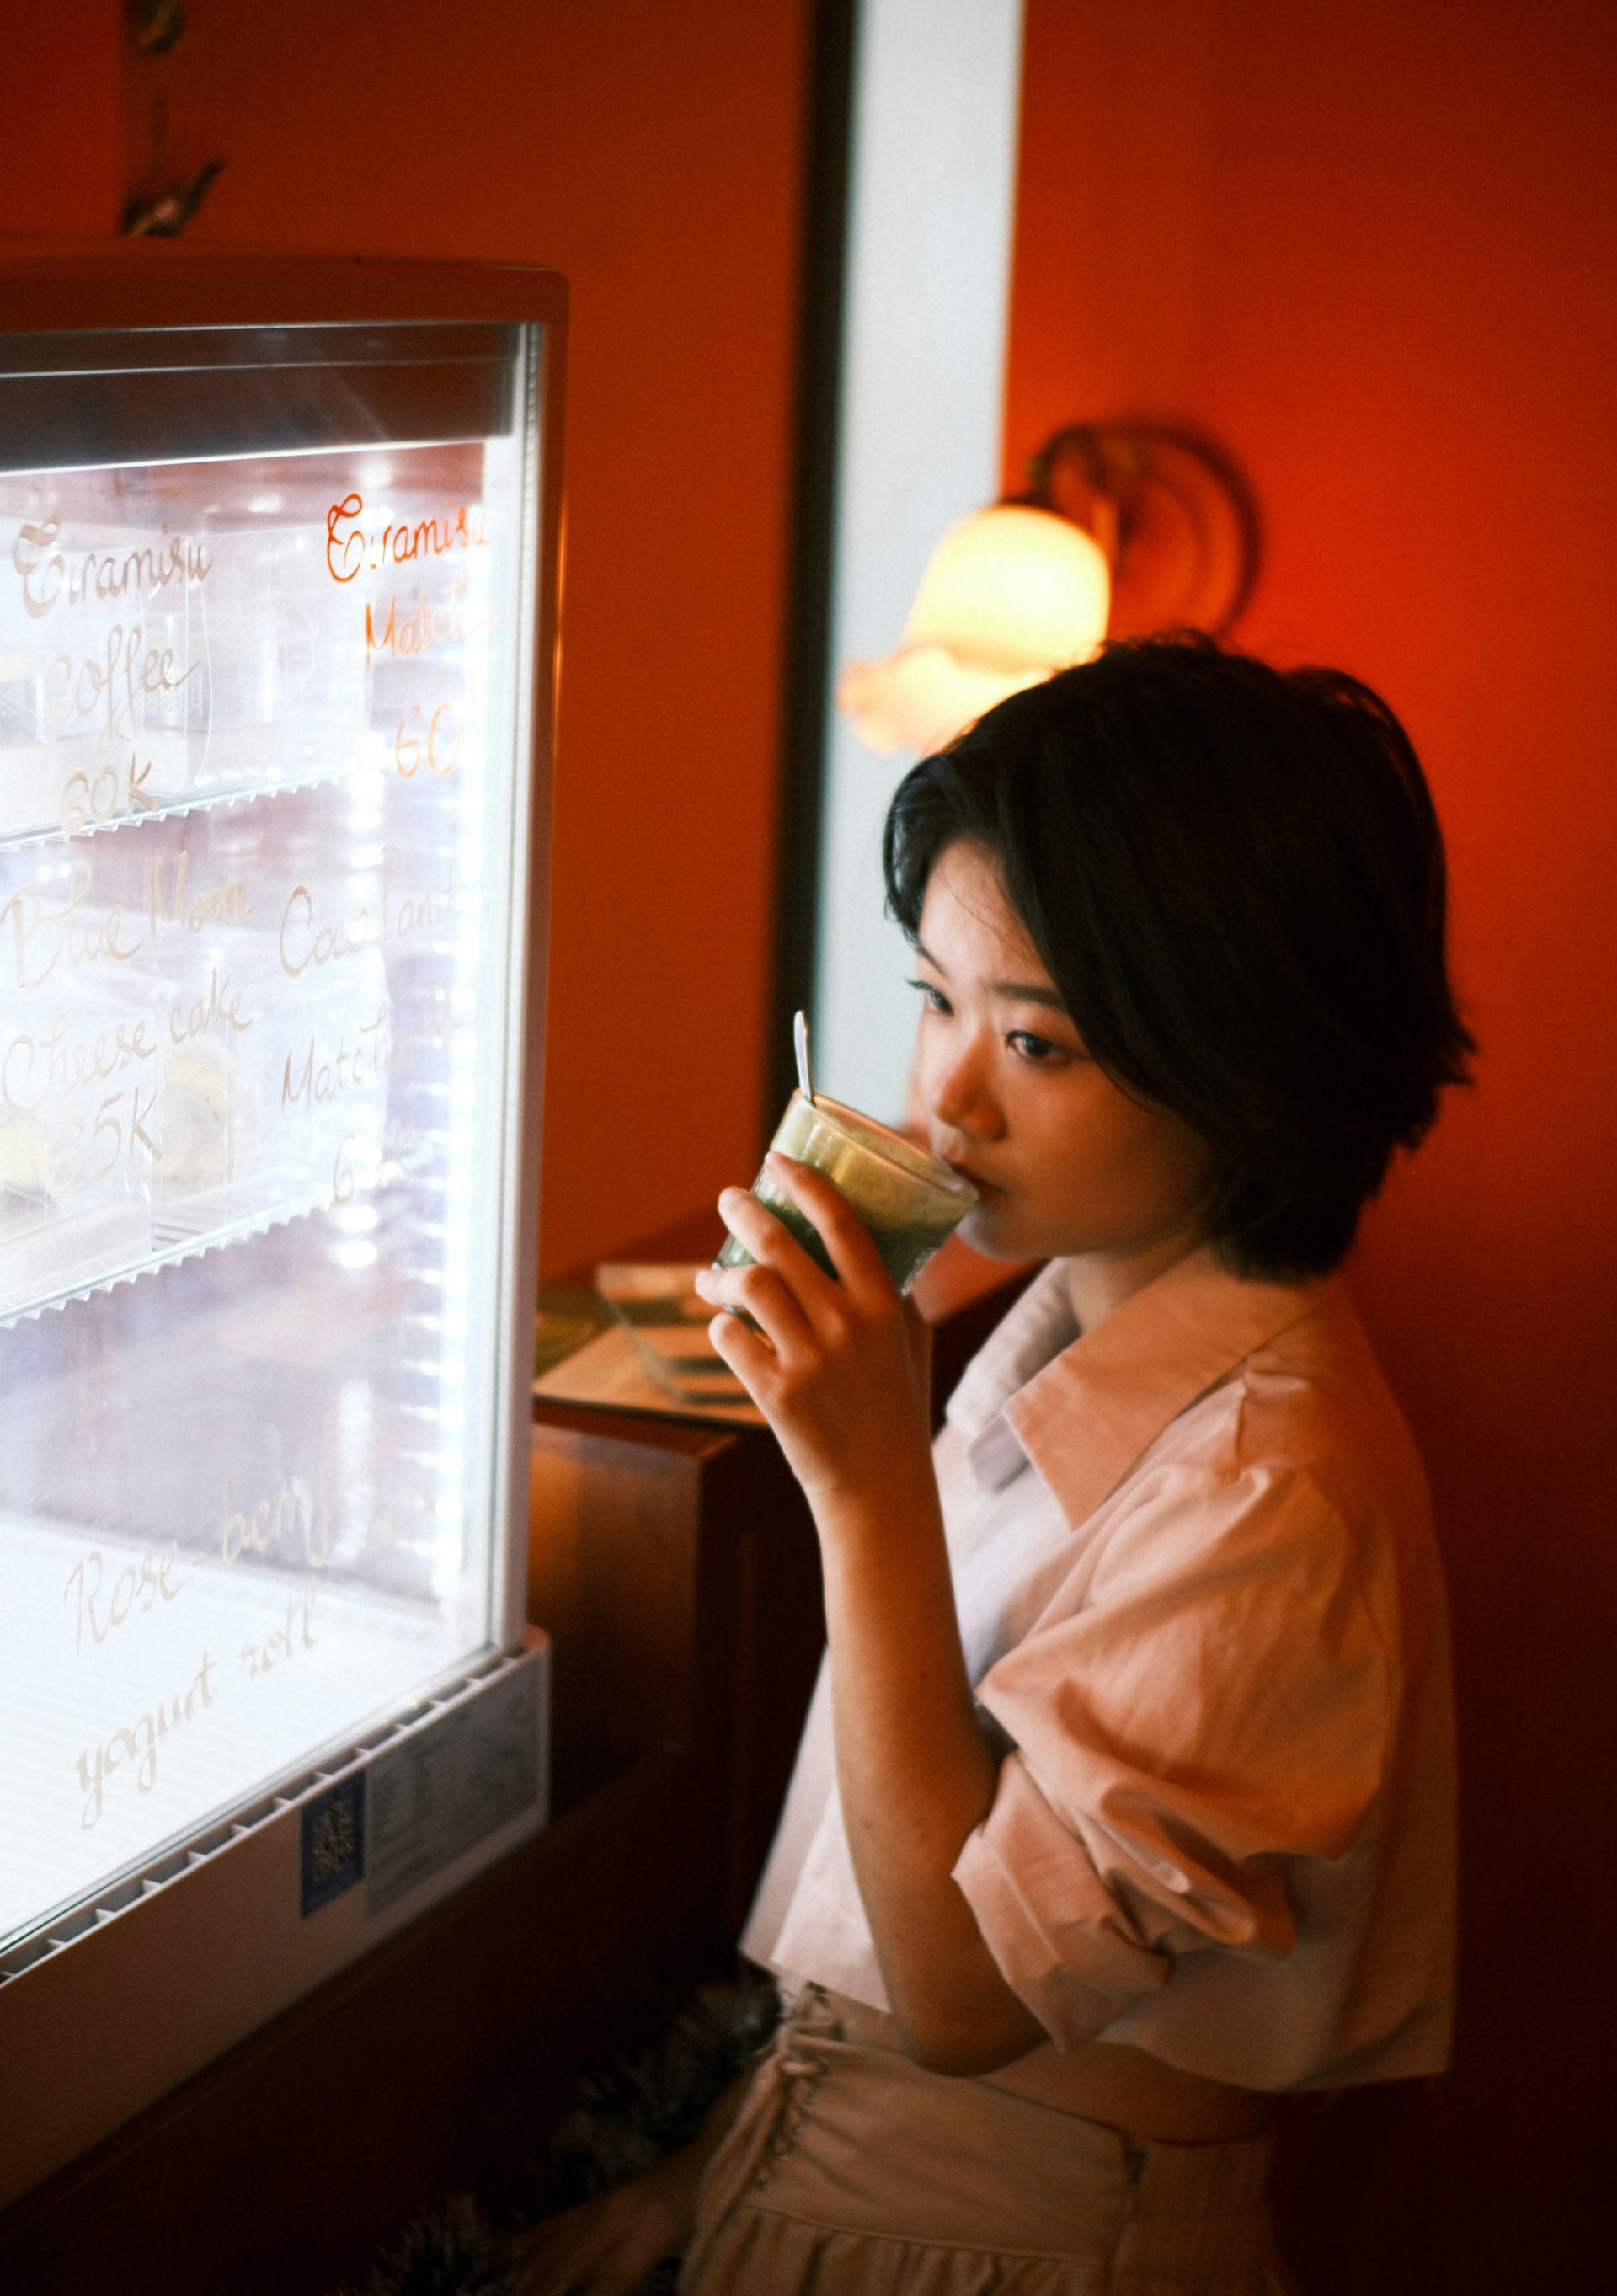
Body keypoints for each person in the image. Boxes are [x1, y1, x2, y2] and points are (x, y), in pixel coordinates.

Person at [515, 633, 1471, 2294]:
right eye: (934, 1000)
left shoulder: (1270, 1489)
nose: (946, 1096)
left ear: (1246, 1072)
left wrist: (864, 1487)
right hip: (844, 2166)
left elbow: (961, 1997)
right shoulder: (1055, 1330)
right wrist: (709, 2177)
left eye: (1038, 1043)